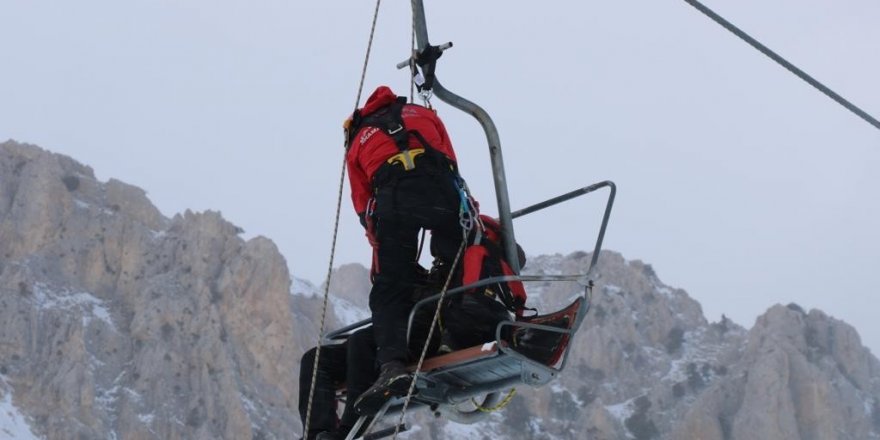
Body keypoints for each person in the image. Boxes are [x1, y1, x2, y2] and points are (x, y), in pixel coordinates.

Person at [343, 85, 469, 416]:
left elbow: (362, 203)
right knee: (456, 263)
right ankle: (459, 329)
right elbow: (452, 164)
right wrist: (465, 216)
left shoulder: (358, 139)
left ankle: (392, 365)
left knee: (390, 289)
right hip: (441, 190)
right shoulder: (424, 115)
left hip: (394, 198)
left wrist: (380, 245)